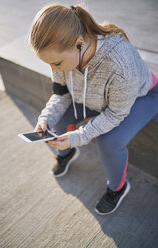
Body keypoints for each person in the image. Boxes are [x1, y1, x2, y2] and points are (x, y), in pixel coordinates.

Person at [29, 4, 158, 215]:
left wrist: (80, 135)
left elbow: (116, 114)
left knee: (108, 142)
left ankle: (117, 187)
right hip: (95, 98)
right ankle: (66, 153)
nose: (53, 70)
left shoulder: (120, 64)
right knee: (57, 122)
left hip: (141, 96)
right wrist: (46, 118)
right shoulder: (65, 55)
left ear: (79, 44)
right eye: (49, 64)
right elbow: (61, 94)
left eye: (57, 63)